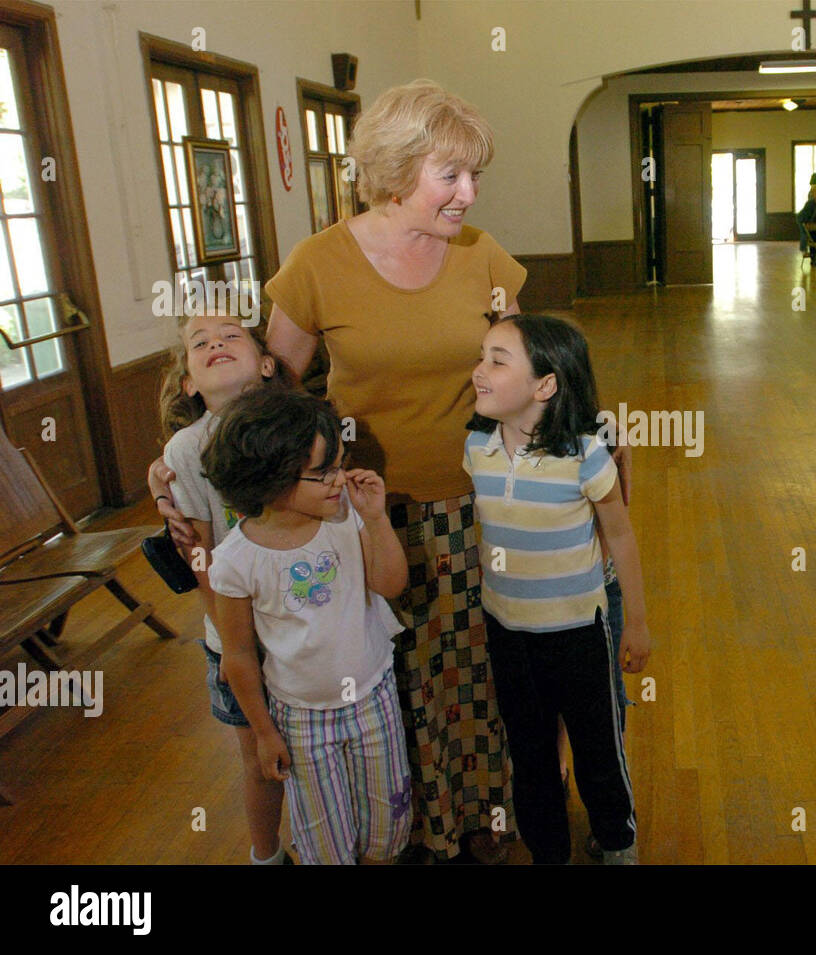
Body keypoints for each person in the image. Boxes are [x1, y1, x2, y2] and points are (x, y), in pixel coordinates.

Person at [259, 80, 537, 863]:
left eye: (475, 175)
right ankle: (403, 822)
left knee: (475, 671)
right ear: (393, 169)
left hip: (477, 500)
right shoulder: (319, 262)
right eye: (450, 175)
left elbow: (522, 370)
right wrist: (177, 463)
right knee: (389, 678)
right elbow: (268, 398)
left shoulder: (481, 253)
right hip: (366, 511)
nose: (469, 193)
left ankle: (480, 813)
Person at [464, 314, 650, 864]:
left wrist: (634, 622)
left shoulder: (586, 453)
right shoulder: (476, 447)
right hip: (508, 632)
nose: (478, 370)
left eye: (498, 360)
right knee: (530, 753)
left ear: (545, 385)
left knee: (598, 750)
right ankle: (549, 852)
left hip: (579, 633)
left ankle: (617, 843)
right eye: (482, 355)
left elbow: (620, 534)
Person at [204, 388, 412, 865]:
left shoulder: (344, 518)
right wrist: (263, 733)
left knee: (387, 824)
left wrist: (376, 520)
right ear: (268, 477)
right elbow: (236, 655)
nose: (339, 479)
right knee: (325, 842)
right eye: (323, 472)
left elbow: (391, 583)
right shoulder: (235, 561)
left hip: (372, 699)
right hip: (300, 719)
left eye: (340, 463)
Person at [157, 310, 296, 865]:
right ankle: (266, 855)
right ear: (190, 382)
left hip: (305, 618)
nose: (216, 343)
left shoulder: (299, 425)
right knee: (258, 754)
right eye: (200, 343)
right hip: (237, 633)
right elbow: (199, 550)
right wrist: (228, 631)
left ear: (266, 364)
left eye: (231, 336)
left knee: (314, 744)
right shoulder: (186, 451)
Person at [796, 185, 816, 266]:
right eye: (815, 192)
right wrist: (807, 222)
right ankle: (804, 251)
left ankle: (814, 258)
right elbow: (806, 214)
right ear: (812, 193)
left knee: (815, 239)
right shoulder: (810, 202)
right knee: (805, 234)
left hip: (814, 223)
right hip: (803, 220)